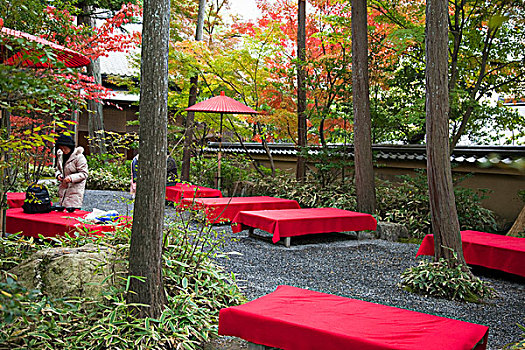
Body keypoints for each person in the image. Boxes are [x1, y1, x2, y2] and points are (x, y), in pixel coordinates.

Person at [54, 134, 89, 208]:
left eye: (65, 148)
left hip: (75, 189)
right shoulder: (60, 155)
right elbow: (58, 169)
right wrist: (58, 175)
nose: (63, 150)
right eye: (61, 148)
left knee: (72, 211)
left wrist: (71, 178)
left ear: (70, 147)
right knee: (62, 210)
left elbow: (84, 174)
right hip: (63, 188)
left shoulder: (79, 157)